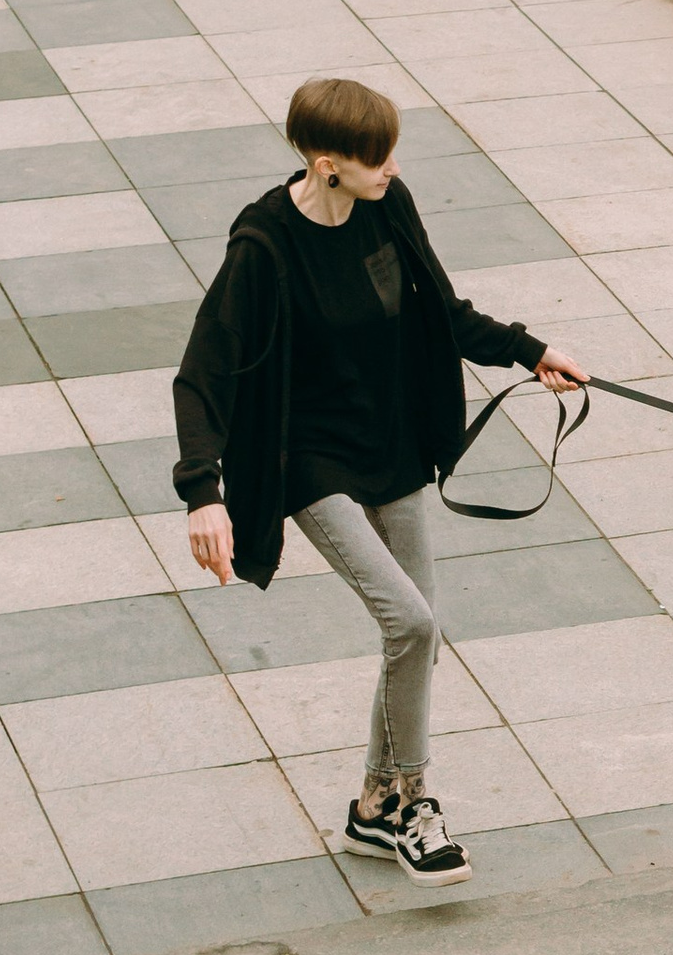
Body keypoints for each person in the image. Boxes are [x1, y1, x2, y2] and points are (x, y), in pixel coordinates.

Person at [173, 77, 588, 890]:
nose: (392, 166)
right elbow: (203, 372)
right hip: (310, 459)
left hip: (390, 441)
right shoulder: (263, 247)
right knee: (411, 620)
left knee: (419, 637)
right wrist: (203, 492)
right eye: (376, 158)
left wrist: (528, 350)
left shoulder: (387, 206)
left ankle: (376, 806)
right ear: (327, 164)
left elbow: (441, 308)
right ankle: (415, 805)